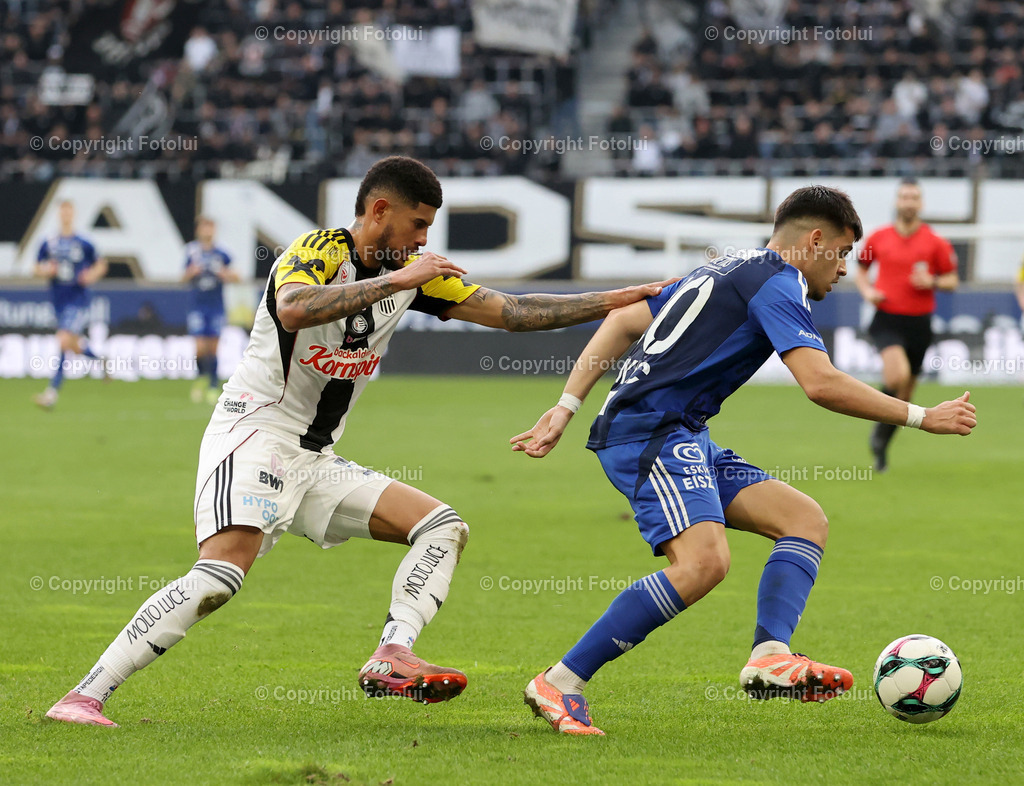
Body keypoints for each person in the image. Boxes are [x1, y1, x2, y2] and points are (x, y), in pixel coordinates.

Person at [44, 155, 670, 727]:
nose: (425, 240)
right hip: (254, 433)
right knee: (219, 577)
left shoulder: (413, 273)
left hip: (314, 459)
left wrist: (618, 299)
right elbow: (293, 308)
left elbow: (513, 312)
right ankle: (83, 697)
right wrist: (403, 282)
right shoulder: (319, 250)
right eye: (418, 224)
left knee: (443, 526)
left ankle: (393, 653)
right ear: (379, 212)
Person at [509, 185, 977, 736]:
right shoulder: (780, 281)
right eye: (845, 253)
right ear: (817, 239)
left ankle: (771, 655)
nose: (846, 269)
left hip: (679, 432)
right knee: (703, 564)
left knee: (803, 520)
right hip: (650, 432)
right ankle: (561, 681)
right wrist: (923, 417)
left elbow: (622, 320)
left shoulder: (726, 266)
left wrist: (566, 407)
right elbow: (820, 383)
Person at [856, 178, 958, 471]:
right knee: (897, 375)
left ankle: (881, 444)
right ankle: (878, 426)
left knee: (906, 395)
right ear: (897, 202)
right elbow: (861, 271)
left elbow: (952, 280)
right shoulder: (879, 237)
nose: (909, 202)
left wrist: (933, 281)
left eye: (914, 197)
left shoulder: (935, 242)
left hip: (920, 325)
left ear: (921, 203)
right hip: (887, 318)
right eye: (904, 197)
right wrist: (868, 292)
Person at [33, 200, 108, 409]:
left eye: (69, 211)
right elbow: (36, 267)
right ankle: (100, 360)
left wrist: (91, 275)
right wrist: (46, 270)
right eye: (62, 211)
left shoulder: (83, 243)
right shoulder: (49, 242)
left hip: (78, 299)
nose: (65, 215)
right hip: (59, 300)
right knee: (72, 345)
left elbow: (101, 265)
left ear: (73, 214)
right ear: (59, 214)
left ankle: (51, 393)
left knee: (63, 341)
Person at [184, 216, 239, 403]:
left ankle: (213, 385)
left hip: (216, 306)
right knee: (199, 347)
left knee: (213, 347)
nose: (207, 231)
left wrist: (226, 274)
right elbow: (183, 278)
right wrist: (190, 273)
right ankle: (201, 378)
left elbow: (237, 277)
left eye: (210, 227)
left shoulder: (221, 253)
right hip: (198, 306)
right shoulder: (191, 251)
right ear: (198, 229)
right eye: (204, 227)